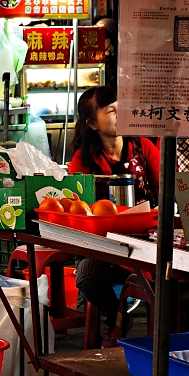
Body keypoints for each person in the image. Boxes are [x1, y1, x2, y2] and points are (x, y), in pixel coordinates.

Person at [68, 86, 162, 347]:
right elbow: (80, 209)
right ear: (92, 123)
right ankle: (115, 317)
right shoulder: (83, 160)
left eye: (121, 106)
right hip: (106, 248)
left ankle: (166, 335)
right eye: (110, 110)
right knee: (86, 274)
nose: (119, 112)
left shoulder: (142, 147)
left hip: (148, 242)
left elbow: (164, 193)